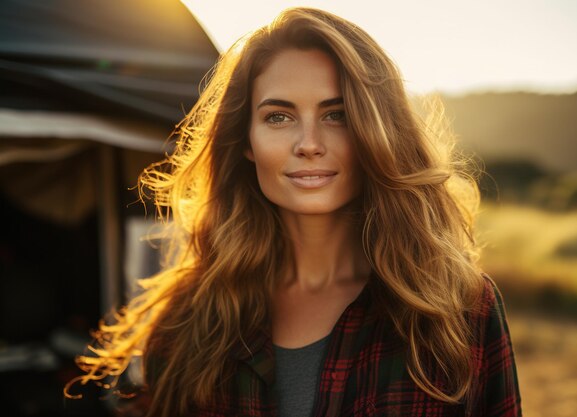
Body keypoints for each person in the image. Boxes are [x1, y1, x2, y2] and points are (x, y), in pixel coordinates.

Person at [66, 7, 521, 417]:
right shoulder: (191, 317)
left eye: (336, 114)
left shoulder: (458, 308)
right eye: (278, 117)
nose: (309, 145)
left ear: (377, 131)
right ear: (245, 141)